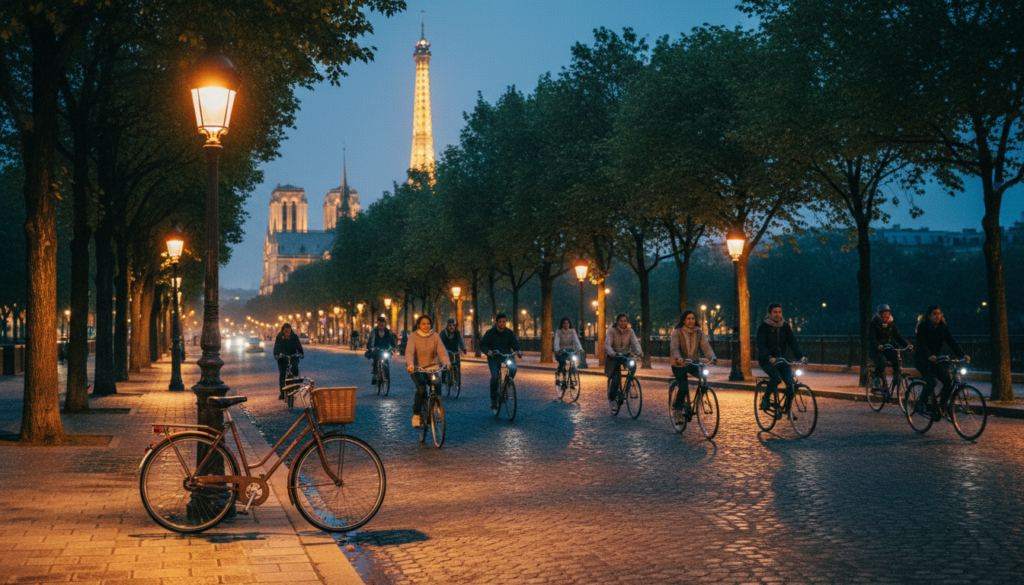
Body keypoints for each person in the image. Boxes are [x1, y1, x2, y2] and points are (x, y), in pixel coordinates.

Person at [915, 305, 969, 420]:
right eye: (934, 314)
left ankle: (942, 406)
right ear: (929, 316)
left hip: (936, 360)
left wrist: (962, 355)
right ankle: (921, 403)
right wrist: (929, 355)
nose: (937, 316)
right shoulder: (922, 327)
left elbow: (951, 341)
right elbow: (922, 344)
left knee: (948, 382)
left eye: (939, 313)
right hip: (923, 360)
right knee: (931, 382)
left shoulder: (942, 327)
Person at [670, 310, 717, 423]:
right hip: (679, 364)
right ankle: (677, 411)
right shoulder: (677, 332)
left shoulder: (699, 332)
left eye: (693, 318)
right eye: (688, 318)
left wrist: (712, 357)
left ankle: (701, 395)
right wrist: (679, 358)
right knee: (683, 387)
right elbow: (674, 348)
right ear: (684, 320)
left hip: (693, 363)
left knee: (703, 377)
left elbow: (705, 346)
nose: (691, 321)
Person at [756, 303, 806, 411]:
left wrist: (801, 357)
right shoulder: (763, 326)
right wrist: (769, 357)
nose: (778, 315)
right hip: (767, 360)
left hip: (782, 360)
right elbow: (761, 345)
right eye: (775, 312)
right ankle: (765, 398)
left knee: (790, 383)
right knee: (776, 378)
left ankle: (788, 409)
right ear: (769, 313)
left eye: (779, 312)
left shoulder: (785, 327)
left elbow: (793, 343)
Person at [405, 315, 451, 427]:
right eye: (423, 324)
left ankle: (437, 407)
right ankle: (416, 414)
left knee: (437, 384)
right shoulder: (413, 337)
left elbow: (442, 351)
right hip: (417, 368)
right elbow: (409, 352)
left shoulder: (435, 336)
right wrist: (410, 364)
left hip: (432, 367)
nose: (426, 326)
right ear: (419, 325)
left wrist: (446, 362)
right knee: (421, 389)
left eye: (428, 324)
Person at [480, 313, 522, 414]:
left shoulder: (509, 333)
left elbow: (515, 344)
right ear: (496, 322)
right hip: (494, 358)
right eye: (500, 322)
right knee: (495, 377)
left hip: (507, 356)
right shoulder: (490, 333)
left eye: (504, 321)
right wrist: (488, 351)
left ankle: (507, 384)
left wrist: (519, 351)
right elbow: (483, 344)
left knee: (513, 368)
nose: (502, 323)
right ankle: (494, 400)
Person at [604, 313, 642, 411]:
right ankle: (612, 398)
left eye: (625, 321)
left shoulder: (630, 331)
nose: (623, 323)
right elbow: (607, 344)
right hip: (615, 355)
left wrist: (639, 351)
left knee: (633, 366)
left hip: (625, 354)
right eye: (621, 321)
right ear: (617, 322)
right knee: (616, 377)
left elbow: (635, 343)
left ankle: (628, 385)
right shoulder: (611, 331)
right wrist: (611, 352)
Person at [868, 304, 912, 388]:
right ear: (879, 314)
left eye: (887, 314)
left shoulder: (891, 324)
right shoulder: (873, 324)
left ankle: (896, 378)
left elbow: (898, 336)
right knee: (882, 361)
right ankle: (875, 375)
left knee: (896, 359)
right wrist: (878, 345)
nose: (886, 316)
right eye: (884, 314)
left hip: (887, 349)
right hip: (875, 350)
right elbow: (871, 339)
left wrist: (907, 345)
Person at [272, 323, 304, 400]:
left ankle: (296, 386)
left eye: (289, 330)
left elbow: (298, 346)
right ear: (283, 330)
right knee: (283, 374)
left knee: (295, 368)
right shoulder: (279, 337)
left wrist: (301, 353)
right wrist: (276, 355)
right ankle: (282, 393)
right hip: (283, 357)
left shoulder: (294, 337)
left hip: (293, 356)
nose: (287, 332)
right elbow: (276, 347)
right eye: (286, 330)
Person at [365, 316, 396, 384]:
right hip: (377, 349)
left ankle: (386, 374)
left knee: (386, 360)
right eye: (380, 325)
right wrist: (370, 346)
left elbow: (391, 340)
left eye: (383, 325)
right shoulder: (374, 332)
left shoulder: (388, 332)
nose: (382, 326)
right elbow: (370, 340)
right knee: (376, 360)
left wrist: (393, 347)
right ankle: (375, 375)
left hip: (385, 349)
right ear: (378, 324)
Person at [554, 317, 584, 385]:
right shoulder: (558, 332)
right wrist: (557, 349)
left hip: (570, 350)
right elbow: (556, 341)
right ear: (562, 324)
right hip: (561, 351)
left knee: (572, 362)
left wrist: (580, 349)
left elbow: (576, 340)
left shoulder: (572, 331)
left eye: (567, 323)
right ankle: (559, 374)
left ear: (569, 324)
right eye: (564, 323)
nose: (566, 325)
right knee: (562, 363)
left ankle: (572, 377)